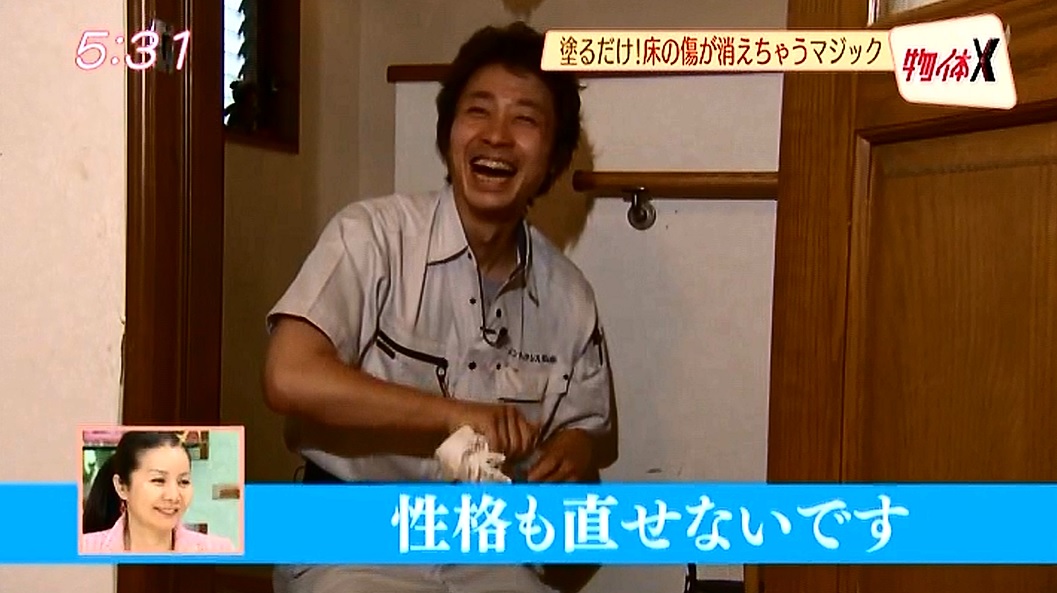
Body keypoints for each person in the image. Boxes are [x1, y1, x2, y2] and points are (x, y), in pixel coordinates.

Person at [263, 21, 617, 593]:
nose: (497, 136)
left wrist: (572, 452)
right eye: (478, 111)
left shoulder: (570, 296)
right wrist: (453, 415)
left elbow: (583, 433)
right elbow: (288, 376)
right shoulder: (371, 236)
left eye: (525, 119)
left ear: (552, 158)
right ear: (449, 133)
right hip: (347, 539)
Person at [80, 430, 237, 554]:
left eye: (183, 482)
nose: (173, 496)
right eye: (158, 480)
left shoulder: (219, 550)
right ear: (122, 487)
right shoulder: (86, 548)